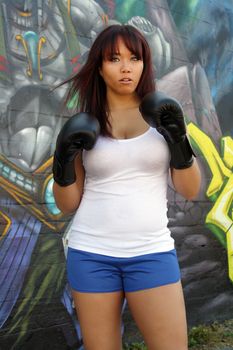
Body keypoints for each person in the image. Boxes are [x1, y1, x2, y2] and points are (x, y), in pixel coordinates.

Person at [52, 24, 201, 350]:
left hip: (151, 252)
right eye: (114, 58)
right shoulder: (86, 123)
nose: (125, 67)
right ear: (99, 67)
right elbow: (67, 203)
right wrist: (62, 159)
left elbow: (190, 189)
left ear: (145, 63)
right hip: (91, 254)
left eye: (134, 58)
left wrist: (178, 140)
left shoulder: (163, 115)